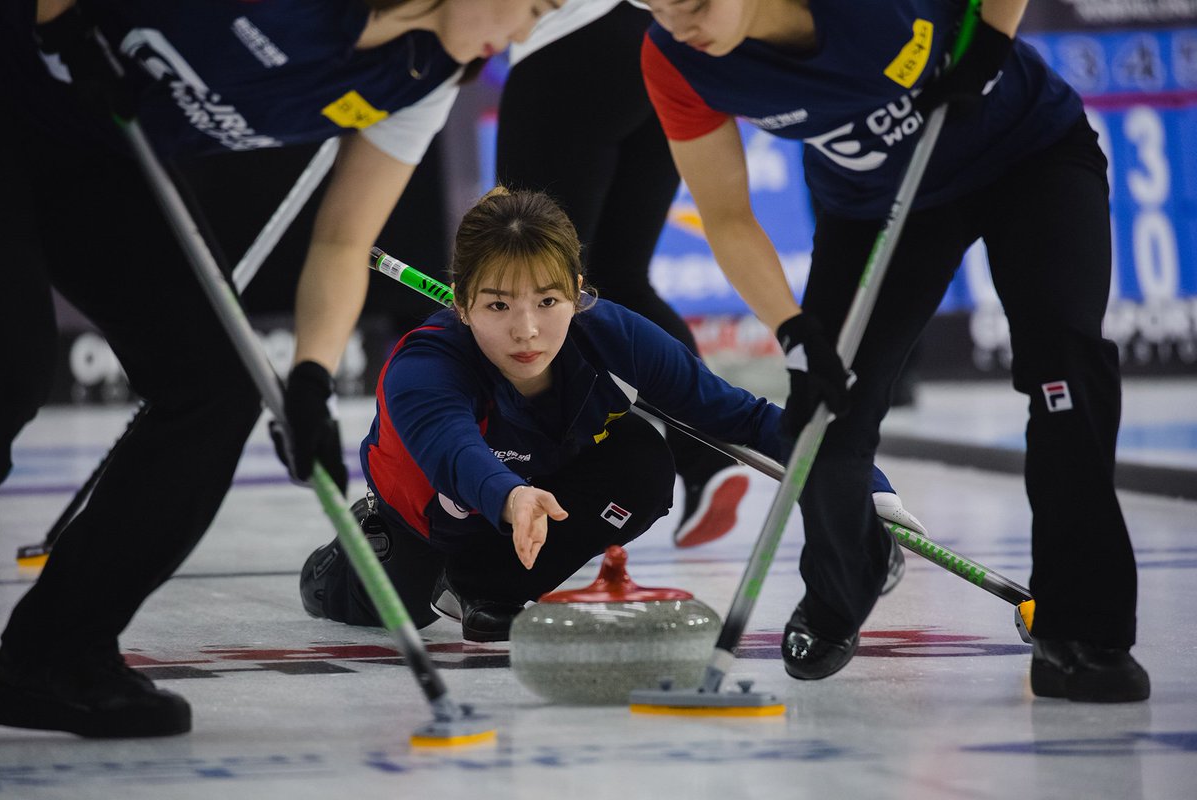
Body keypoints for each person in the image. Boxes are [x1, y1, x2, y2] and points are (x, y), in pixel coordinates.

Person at [0, 0, 558, 739]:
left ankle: (55, 654)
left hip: (99, 140)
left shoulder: (423, 76)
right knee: (11, 365)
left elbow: (341, 240)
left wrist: (311, 380)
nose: (519, 35)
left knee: (217, 382)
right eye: (529, 5)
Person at [639, 0, 1149, 701]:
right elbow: (726, 217)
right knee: (821, 419)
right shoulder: (673, 60)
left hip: (1028, 156)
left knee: (1065, 373)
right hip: (880, 207)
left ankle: (1081, 632)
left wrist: (992, 39)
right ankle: (844, 583)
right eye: (654, 6)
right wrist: (793, 330)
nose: (677, 22)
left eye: (693, 3)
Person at [298, 187, 925, 644]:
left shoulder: (613, 338)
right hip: (432, 517)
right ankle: (358, 552)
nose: (526, 329)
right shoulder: (424, 365)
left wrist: (861, 484)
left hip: (538, 506)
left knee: (642, 461)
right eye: (497, 304)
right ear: (462, 304)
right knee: (389, 607)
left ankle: (487, 588)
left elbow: (745, 418)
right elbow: (455, 450)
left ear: (577, 290)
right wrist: (511, 496)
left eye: (547, 300)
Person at [495, 0, 746, 548]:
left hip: (569, 47)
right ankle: (706, 458)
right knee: (618, 280)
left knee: (528, 281)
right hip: (656, 40)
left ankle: (522, 489)